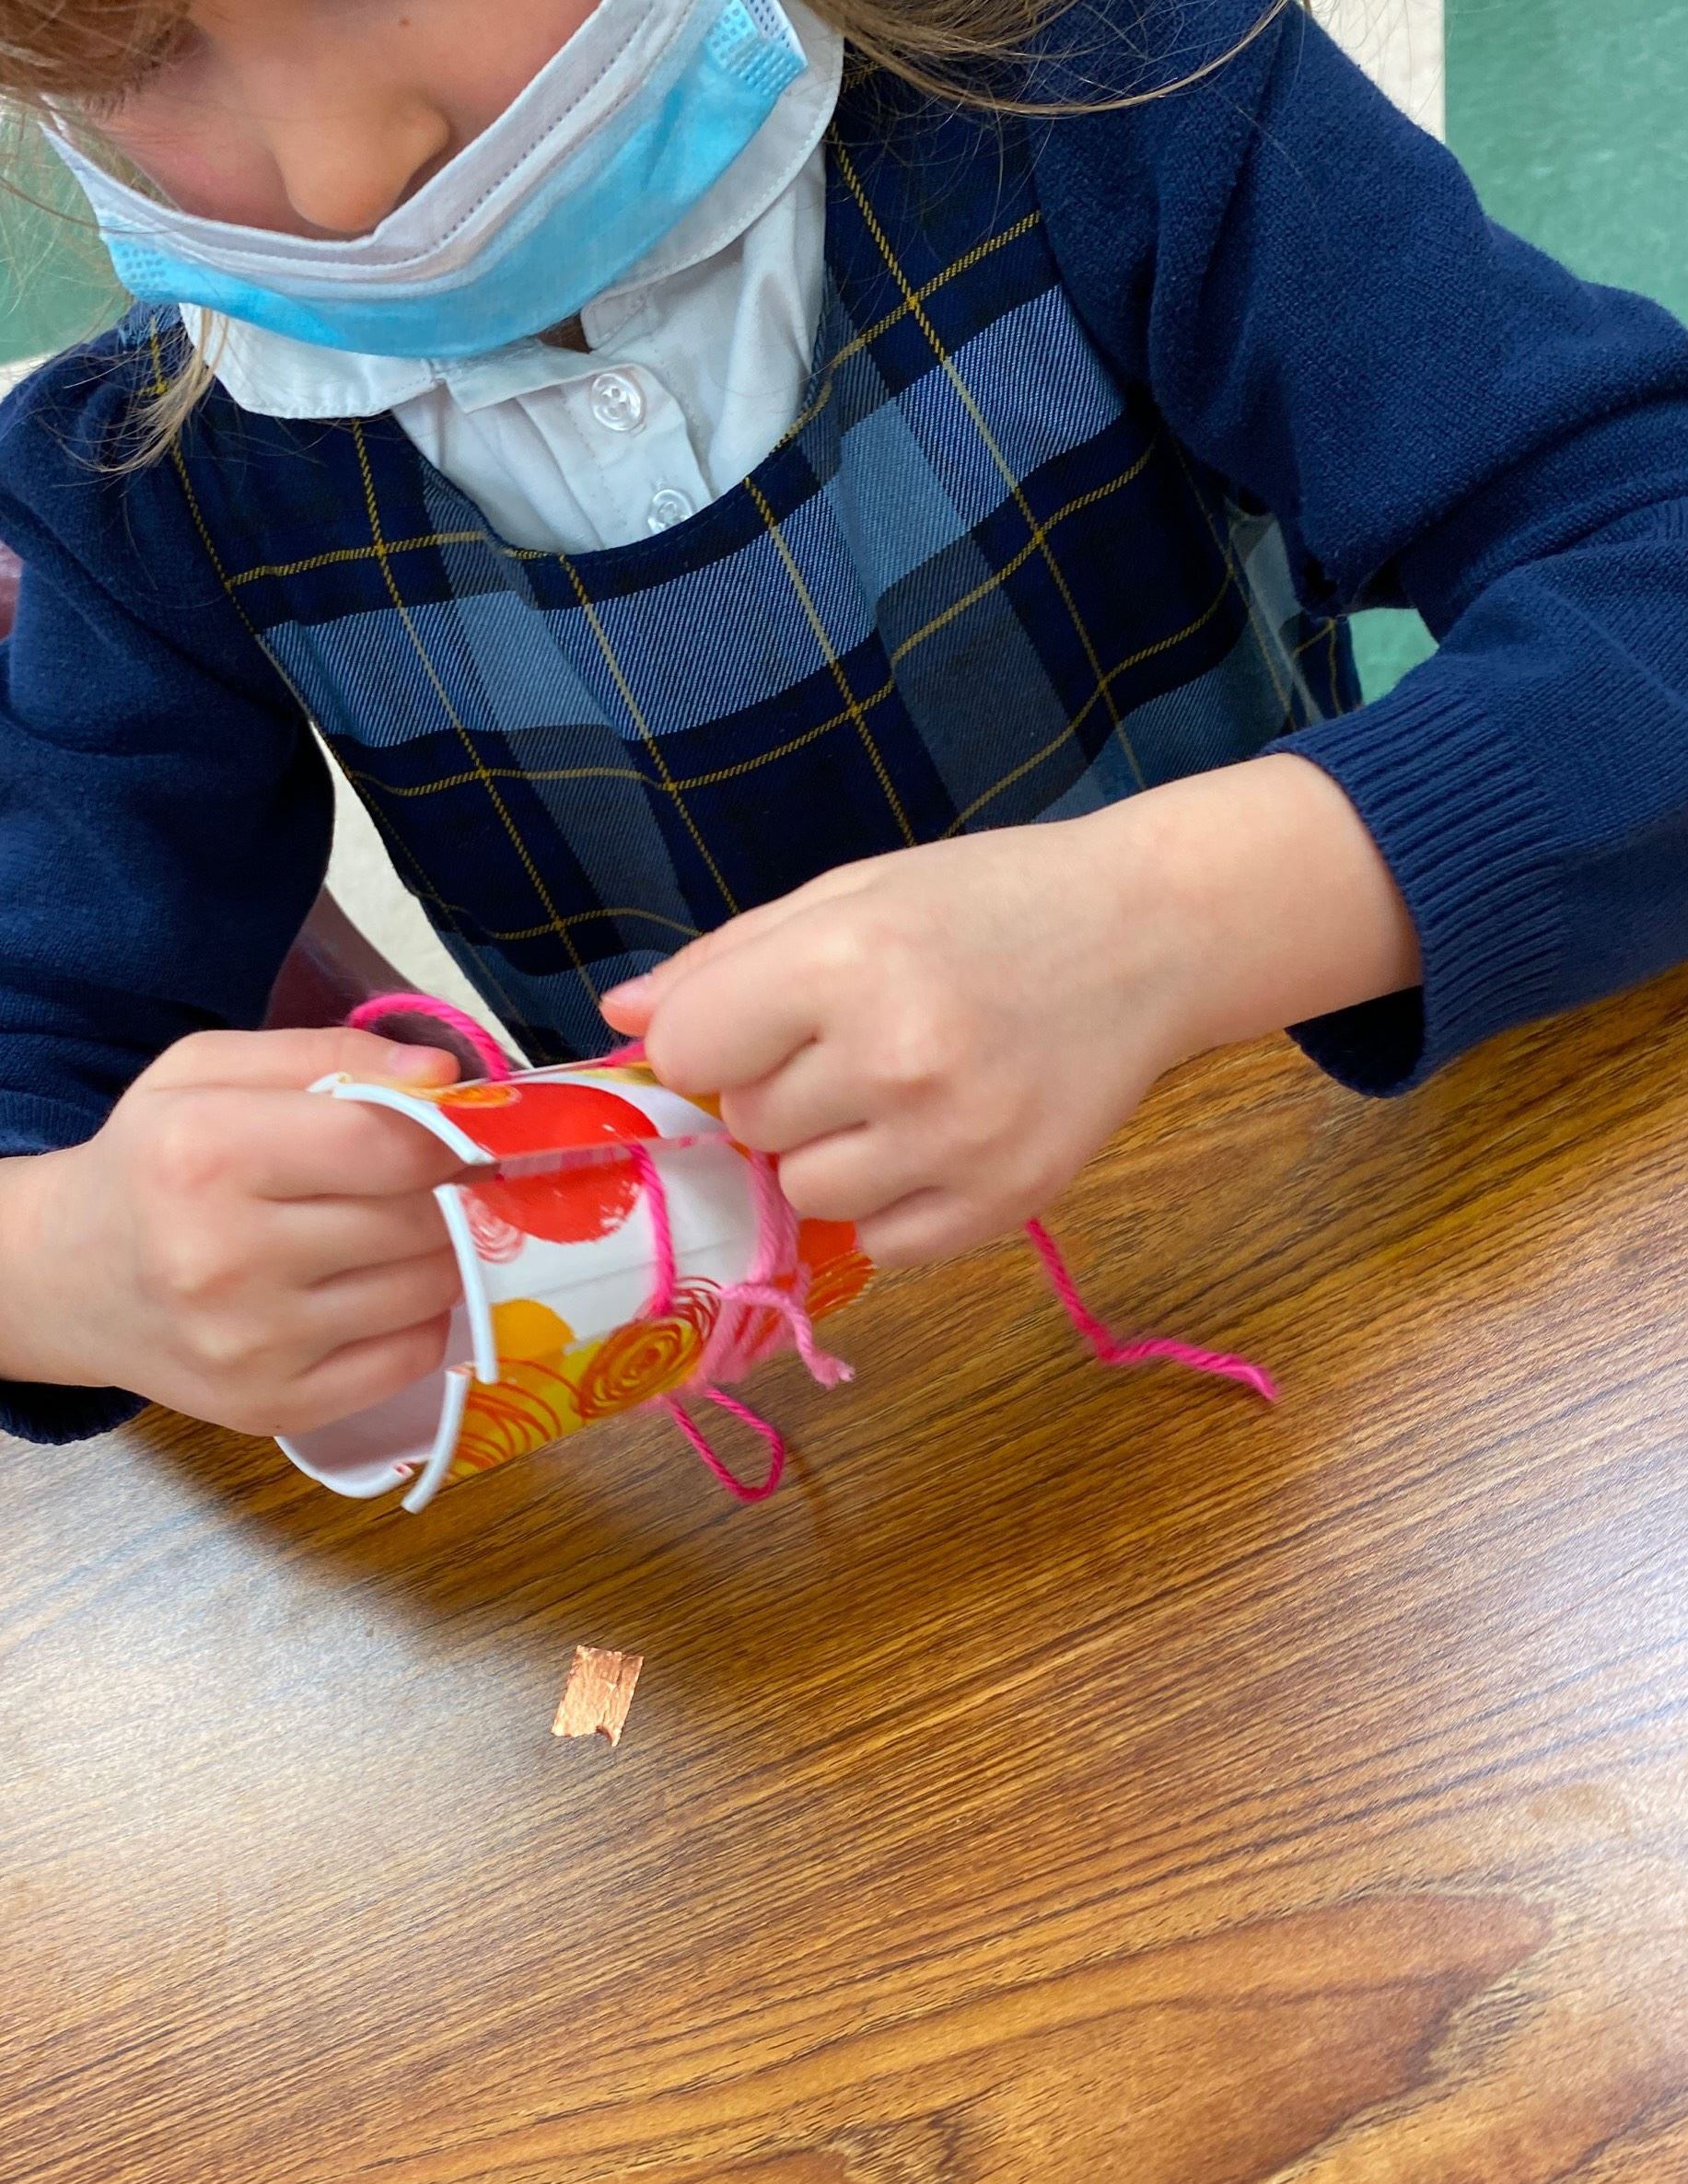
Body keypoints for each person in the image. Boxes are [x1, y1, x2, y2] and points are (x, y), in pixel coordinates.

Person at [0, 0, 1683, 1448]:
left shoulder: (1112, 82)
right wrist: (74, 1256)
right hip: (810, 1442)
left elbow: (1648, 566)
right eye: (140, 52)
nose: (342, 177)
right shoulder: (129, 493)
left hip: (1333, 1263)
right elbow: (35, 1056)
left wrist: (1161, 927)